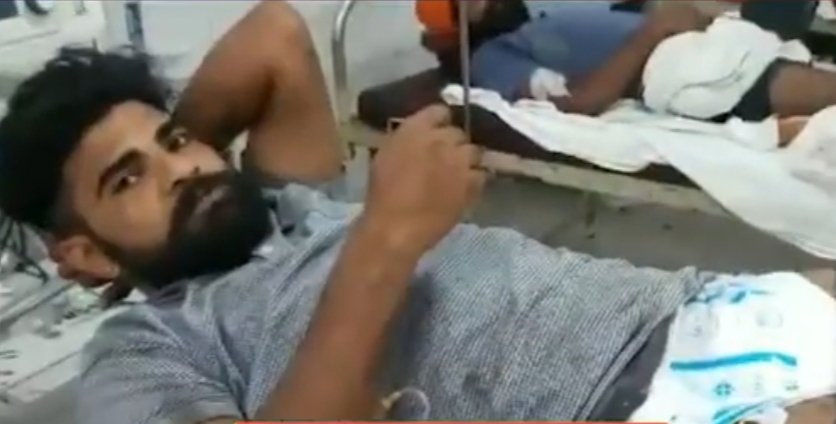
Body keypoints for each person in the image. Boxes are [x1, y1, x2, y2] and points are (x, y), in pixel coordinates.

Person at [0, 1, 833, 423]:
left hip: (695, 309)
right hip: (637, 402)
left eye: (178, 141)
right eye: (126, 181)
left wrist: (181, 183)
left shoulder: (292, 206)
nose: (183, 170)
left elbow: (275, 34)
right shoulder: (147, 350)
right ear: (84, 255)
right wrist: (387, 239)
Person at [423, 0, 834, 134]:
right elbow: (582, 102)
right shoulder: (493, 57)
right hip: (675, 64)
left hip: (701, 35)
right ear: (460, 26)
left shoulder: (539, 19)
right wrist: (653, 31)